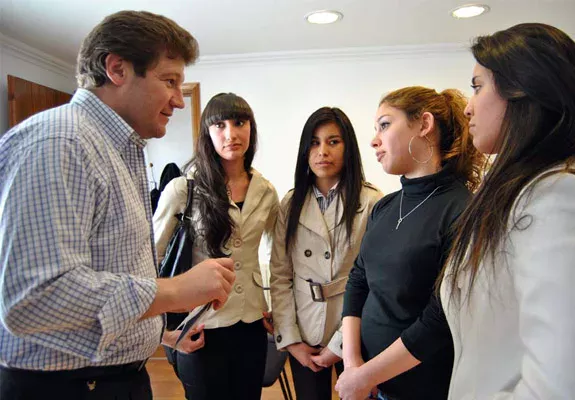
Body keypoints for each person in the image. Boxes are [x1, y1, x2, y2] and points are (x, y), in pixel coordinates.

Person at [0, 11, 236, 400]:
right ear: (117, 69)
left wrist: (163, 332)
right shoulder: (61, 143)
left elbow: (109, 269)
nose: (179, 99)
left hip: (109, 381)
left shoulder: (115, 150)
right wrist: (175, 290)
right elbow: (33, 298)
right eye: (169, 81)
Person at [440, 23, 575, 399]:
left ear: (521, 87)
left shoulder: (558, 196)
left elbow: (565, 389)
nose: (467, 106)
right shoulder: (517, 193)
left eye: (478, 87)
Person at [336, 86, 485, 400]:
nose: (374, 140)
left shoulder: (463, 210)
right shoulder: (385, 207)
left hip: (421, 388)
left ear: (424, 124)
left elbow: (441, 317)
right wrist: (353, 364)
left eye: (385, 125)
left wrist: (366, 375)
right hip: (367, 383)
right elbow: (358, 279)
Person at [154, 92, 279, 399]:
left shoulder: (265, 191)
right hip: (200, 325)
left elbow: (281, 257)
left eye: (239, 122)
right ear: (207, 134)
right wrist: (165, 334)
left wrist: (277, 308)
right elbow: (148, 260)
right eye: (219, 125)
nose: (231, 133)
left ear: (251, 128)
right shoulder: (183, 189)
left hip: (251, 323)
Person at [270, 107, 383, 400]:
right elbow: (280, 276)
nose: (323, 151)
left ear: (348, 148)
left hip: (354, 328)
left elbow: (376, 280)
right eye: (314, 142)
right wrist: (291, 340)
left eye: (333, 142)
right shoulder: (291, 202)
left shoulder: (371, 202)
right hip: (305, 331)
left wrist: (341, 345)